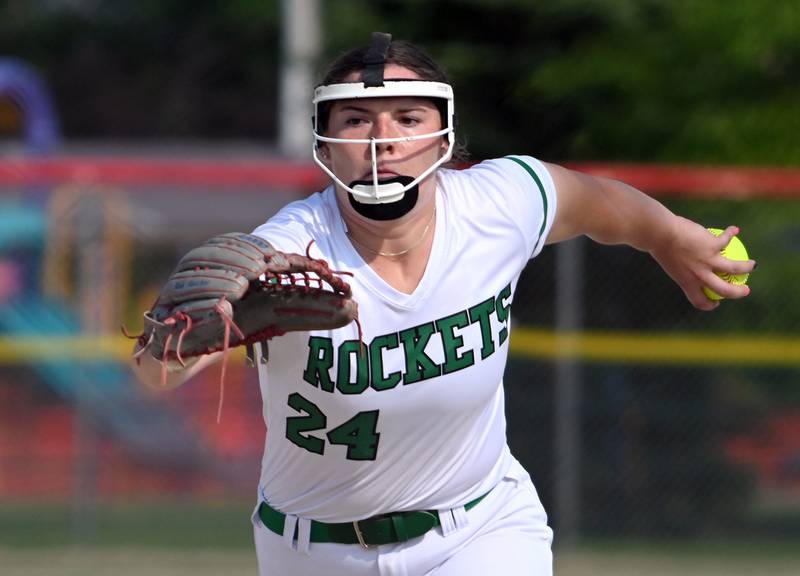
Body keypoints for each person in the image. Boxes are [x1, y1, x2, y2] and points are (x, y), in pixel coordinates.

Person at [131, 33, 755, 576]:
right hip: (311, 548)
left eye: (407, 118)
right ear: (325, 143)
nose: (383, 140)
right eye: (355, 120)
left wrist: (673, 236)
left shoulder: (498, 203)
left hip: (478, 528)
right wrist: (181, 338)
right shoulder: (288, 253)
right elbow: (157, 373)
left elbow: (598, 204)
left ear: (442, 136)